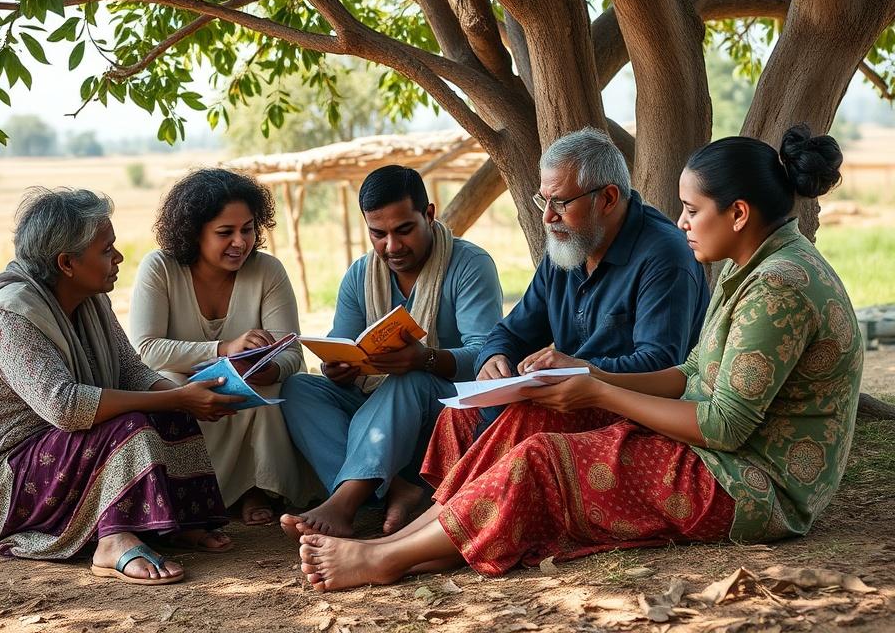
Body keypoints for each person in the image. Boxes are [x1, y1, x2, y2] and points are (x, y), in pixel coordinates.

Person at [294, 125, 863, 590]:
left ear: (737, 214)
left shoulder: (776, 285)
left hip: (751, 484)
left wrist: (595, 388)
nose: (682, 221)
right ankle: (409, 542)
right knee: (527, 417)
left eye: (692, 209)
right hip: (708, 447)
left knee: (542, 458)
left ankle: (386, 559)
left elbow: (723, 424)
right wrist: (583, 375)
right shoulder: (752, 266)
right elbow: (692, 373)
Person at [0, 188, 245, 586]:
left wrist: (189, 396)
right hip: (1, 480)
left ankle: (173, 523)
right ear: (67, 263)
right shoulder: (10, 315)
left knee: (169, 411)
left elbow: (131, 372)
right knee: (133, 425)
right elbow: (66, 407)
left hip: (57, 451)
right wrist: (175, 395)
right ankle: (112, 542)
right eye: (107, 250)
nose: (119, 258)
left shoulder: (90, 298)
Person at [280, 165, 503, 538]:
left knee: (409, 378)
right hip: (376, 406)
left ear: (429, 214)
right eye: (378, 234)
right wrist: (339, 366)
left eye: (404, 230)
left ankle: (345, 502)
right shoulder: (359, 275)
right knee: (298, 389)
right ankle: (395, 488)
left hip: (441, 409)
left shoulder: (469, 265)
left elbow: (485, 355)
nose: (392, 246)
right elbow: (342, 343)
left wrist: (425, 358)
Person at [455, 127, 709, 445]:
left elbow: (661, 365)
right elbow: (511, 333)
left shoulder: (664, 255)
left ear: (608, 199)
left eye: (560, 203)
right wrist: (494, 358)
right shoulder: (569, 248)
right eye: (543, 201)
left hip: (639, 417)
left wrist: (580, 370)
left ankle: (466, 496)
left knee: (522, 420)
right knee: (457, 416)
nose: (548, 217)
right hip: (576, 397)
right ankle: (445, 495)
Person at [130, 169, 319, 525]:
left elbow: (292, 352)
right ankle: (192, 492)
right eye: (225, 232)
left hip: (249, 388)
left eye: (247, 229)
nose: (240, 242)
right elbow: (146, 350)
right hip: (185, 385)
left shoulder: (268, 271)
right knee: (167, 381)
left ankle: (256, 488)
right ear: (193, 232)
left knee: (275, 385)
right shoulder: (160, 268)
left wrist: (270, 367)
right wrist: (224, 349)